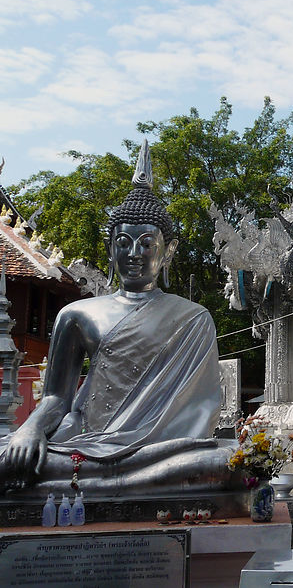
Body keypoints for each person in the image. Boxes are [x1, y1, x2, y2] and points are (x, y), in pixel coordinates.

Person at [0, 142, 235, 495]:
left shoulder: (194, 319)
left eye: (146, 244)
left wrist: (155, 447)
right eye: (123, 242)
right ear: (111, 247)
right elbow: (56, 400)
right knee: (10, 456)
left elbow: (200, 411)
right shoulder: (78, 314)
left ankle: (110, 479)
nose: (134, 254)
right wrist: (30, 428)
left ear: (167, 251)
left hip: (161, 453)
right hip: (86, 446)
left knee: (222, 461)